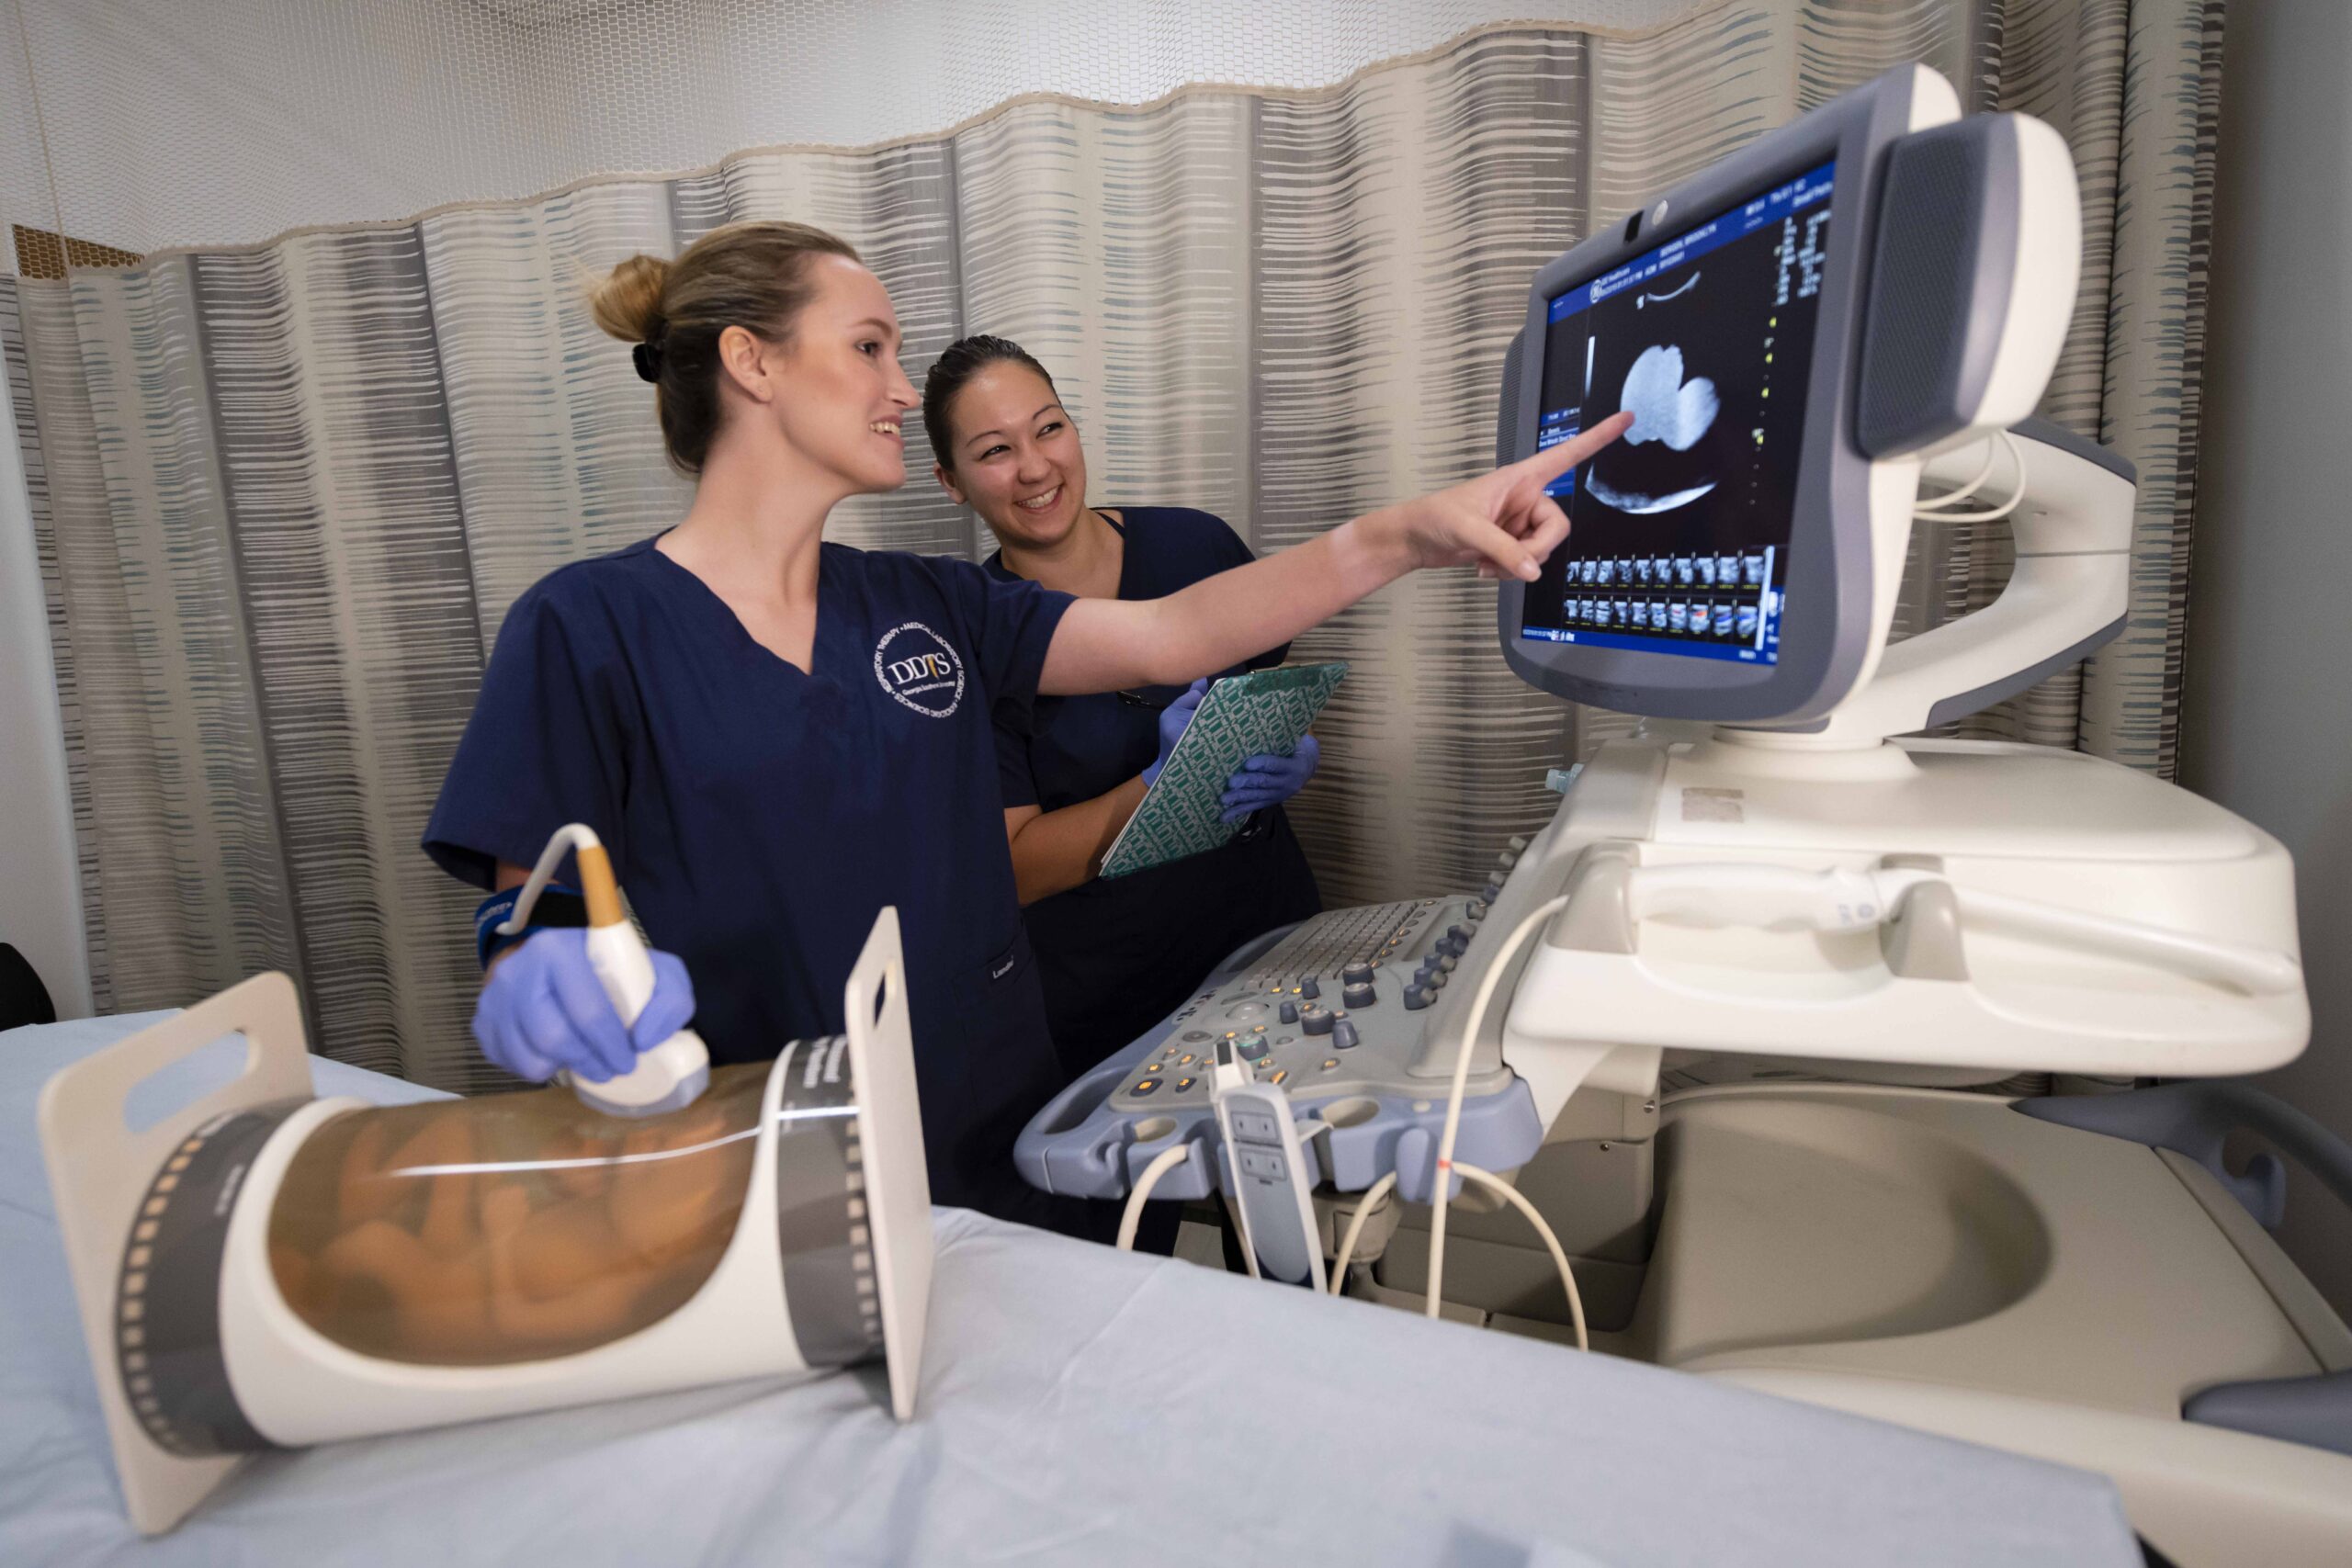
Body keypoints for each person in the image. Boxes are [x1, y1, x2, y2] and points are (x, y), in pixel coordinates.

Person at [423, 220, 1629, 1237]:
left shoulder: (931, 604)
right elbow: (536, 903)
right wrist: (536, 966)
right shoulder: (588, 624)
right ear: (754, 362)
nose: (901, 387)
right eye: (870, 348)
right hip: (778, 1168)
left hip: (1006, 1132)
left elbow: (1168, 635)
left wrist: (1402, 536)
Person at [923, 334, 1322, 1082]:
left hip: (1268, 942)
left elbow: (1270, 685)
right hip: (1112, 1000)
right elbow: (1012, 870)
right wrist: (1157, 788)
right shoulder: (968, 644)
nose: (1037, 467)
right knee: (1142, 1197)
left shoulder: (1196, 545)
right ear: (951, 482)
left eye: (1049, 427)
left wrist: (1288, 748)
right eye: (994, 451)